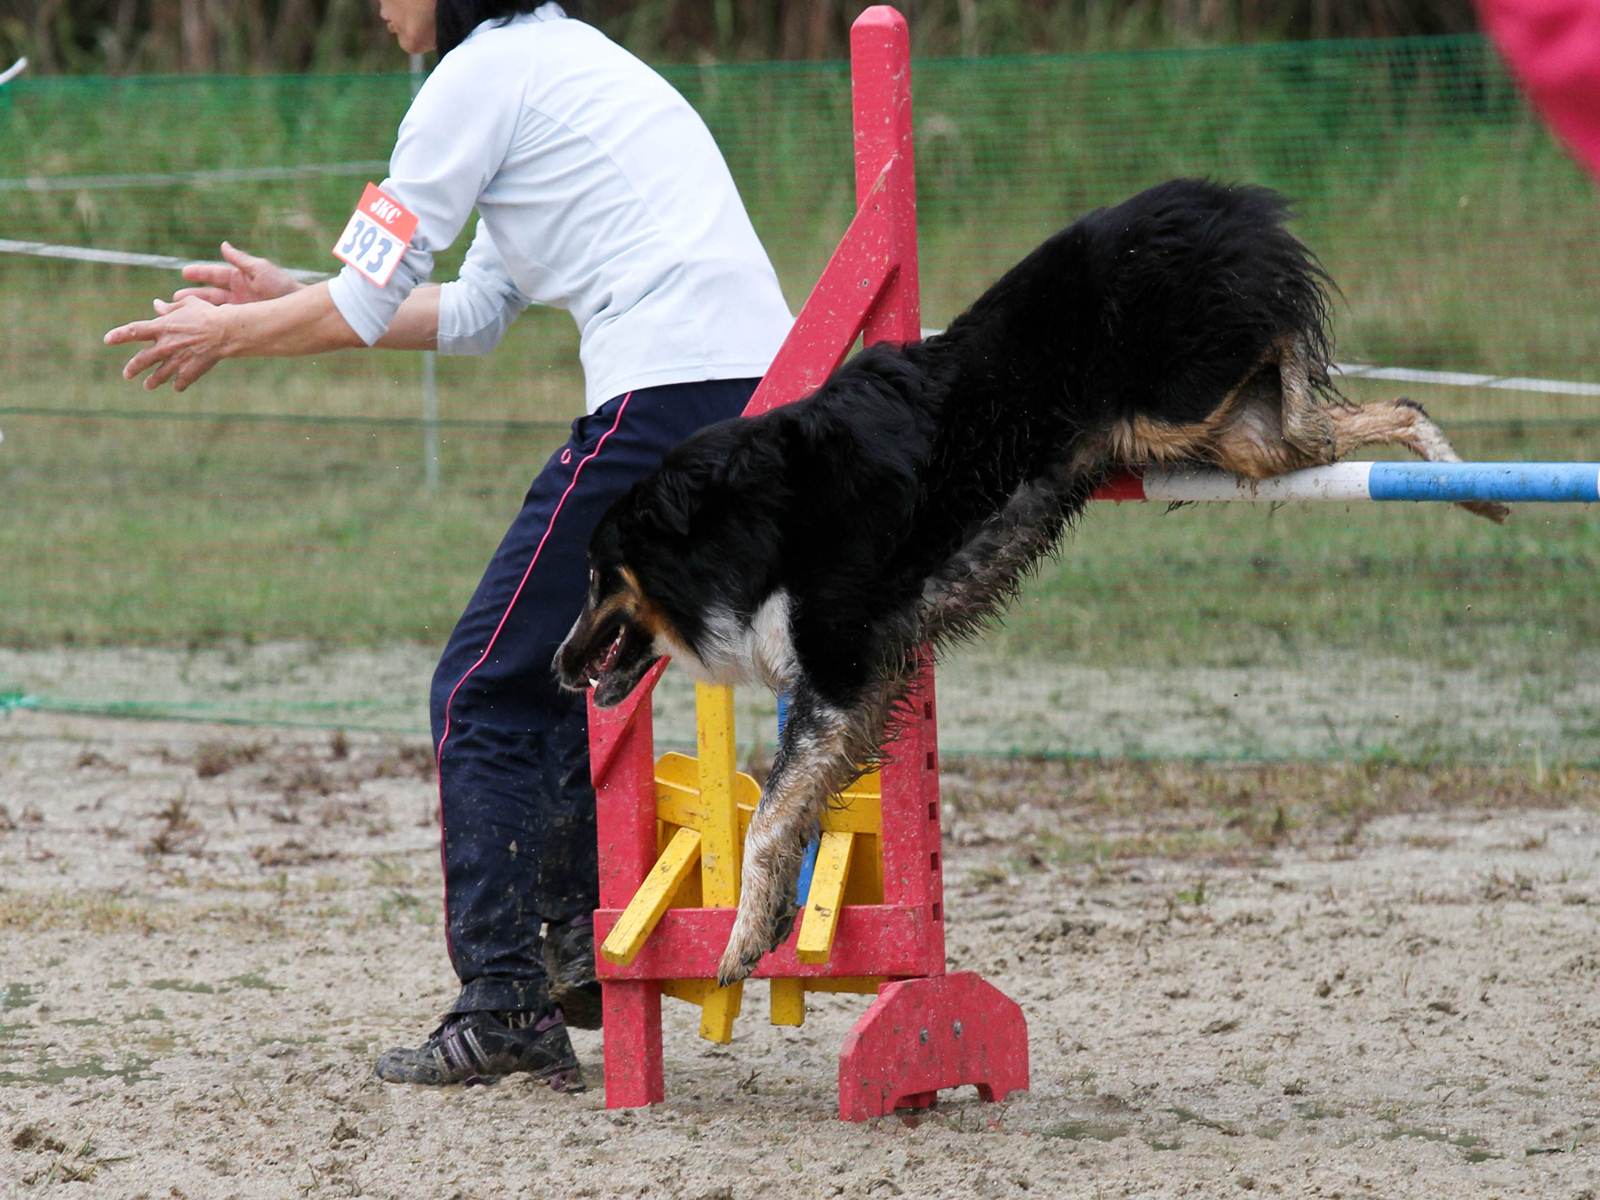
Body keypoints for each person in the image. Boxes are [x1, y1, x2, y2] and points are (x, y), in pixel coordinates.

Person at [104, 0, 792, 1090]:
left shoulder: (473, 78)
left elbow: (366, 304)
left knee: (478, 687)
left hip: (666, 399)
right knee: (554, 675)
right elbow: (473, 308)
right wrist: (294, 296)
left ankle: (504, 1003)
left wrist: (232, 332)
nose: (376, 4)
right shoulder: (561, 62)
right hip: (751, 401)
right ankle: (574, 942)